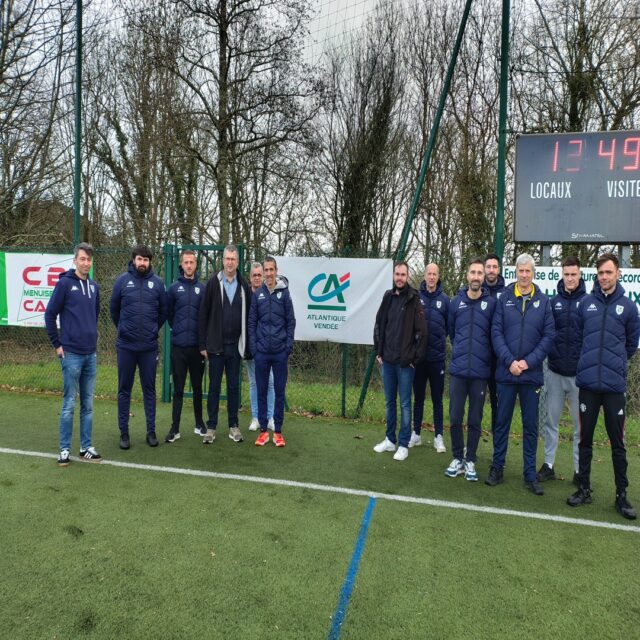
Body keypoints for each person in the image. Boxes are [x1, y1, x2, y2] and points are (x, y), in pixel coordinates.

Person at [567, 253, 640, 520]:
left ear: (618, 273)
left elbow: (631, 345)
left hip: (613, 388)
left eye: (609, 273)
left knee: (617, 443)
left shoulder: (629, 308)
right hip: (587, 385)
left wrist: (615, 365)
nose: (605, 277)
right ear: (596, 277)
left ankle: (621, 495)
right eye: (600, 274)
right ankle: (584, 488)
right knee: (585, 439)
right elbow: (577, 338)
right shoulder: (585, 305)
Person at [486, 253, 554, 495]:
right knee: (501, 423)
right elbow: (496, 333)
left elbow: (548, 338)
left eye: (528, 271)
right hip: (506, 374)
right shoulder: (504, 299)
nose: (524, 275)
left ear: (533, 273)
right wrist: (510, 361)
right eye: (520, 271)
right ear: (515, 272)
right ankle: (497, 467)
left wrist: (527, 363)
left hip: (530, 375)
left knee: (530, 427)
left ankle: (529, 474)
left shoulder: (544, 302)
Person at [45, 242, 102, 466]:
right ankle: (64, 449)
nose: (86, 263)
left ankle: (86, 447)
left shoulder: (95, 287)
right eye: (82, 259)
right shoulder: (65, 284)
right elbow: (50, 315)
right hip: (71, 355)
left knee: (88, 404)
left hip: (90, 355)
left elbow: (94, 315)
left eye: (89, 259)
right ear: (74, 260)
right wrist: (57, 344)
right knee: (69, 403)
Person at [110, 244, 168, 449]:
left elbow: (163, 312)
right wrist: (125, 329)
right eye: (139, 259)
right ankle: (124, 433)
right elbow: (114, 310)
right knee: (124, 390)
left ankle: (151, 431)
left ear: (150, 262)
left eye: (146, 259)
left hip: (149, 348)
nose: (142, 263)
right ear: (133, 260)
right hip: (126, 346)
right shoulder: (122, 282)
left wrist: (152, 330)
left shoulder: (158, 284)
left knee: (149, 390)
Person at [444, 259, 495, 482]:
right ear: (467, 276)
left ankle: (471, 459)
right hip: (458, 371)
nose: (476, 276)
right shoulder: (456, 303)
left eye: (479, 273)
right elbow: (452, 333)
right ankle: (457, 457)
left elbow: (494, 336)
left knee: (475, 419)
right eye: (472, 272)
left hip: (480, 373)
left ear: (484, 277)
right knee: (455, 416)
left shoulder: (492, 304)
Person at [537, 256, 586, 484]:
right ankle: (548, 465)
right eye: (566, 274)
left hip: (579, 376)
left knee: (579, 427)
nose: (570, 278)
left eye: (573, 274)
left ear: (580, 275)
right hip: (555, 372)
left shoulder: (588, 302)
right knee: (551, 422)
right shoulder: (552, 302)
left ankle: (579, 471)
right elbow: (547, 334)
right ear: (562, 275)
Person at [372, 261, 427, 461]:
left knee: (405, 403)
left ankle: (403, 444)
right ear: (393, 275)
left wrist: (414, 359)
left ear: (408, 276)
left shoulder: (414, 299)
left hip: (405, 364)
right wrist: (379, 350)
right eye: (397, 274)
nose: (400, 278)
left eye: (403, 274)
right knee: (389, 402)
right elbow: (379, 324)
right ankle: (390, 440)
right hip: (387, 361)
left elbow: (422, 333)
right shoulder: (387, 297)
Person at [198, 244, 251, 444]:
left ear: (237, 262)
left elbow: (249, 317)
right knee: (213, 387)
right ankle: (211, 427)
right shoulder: (213, 283)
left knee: (233, 388)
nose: (230, 262)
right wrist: (202, 344)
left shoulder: (244, 286)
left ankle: (233, 426)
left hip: (235, 347)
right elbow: (203, 314)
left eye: (233, 259)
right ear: (223, 260)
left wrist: (247, 344)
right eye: (227, 259)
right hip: (215, 347)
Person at [248, 256, 296, 447]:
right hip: (261, 353)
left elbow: (291, 321)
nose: (268, 274)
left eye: (270, 270)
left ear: (276, 271)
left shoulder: (284, 293)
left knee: (279, 391)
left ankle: (277, 431)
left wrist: (287, 347)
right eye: (265, 270)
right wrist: (254, 348)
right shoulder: (258, 295)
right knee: (260, 390)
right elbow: (252, 323)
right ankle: (262, 431)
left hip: (279, 353)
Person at [165, 250, 206, 443]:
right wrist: (180, 331)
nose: (189, 265)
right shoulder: (173, 288)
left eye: (192, 262)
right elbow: (169, 314)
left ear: (196, 264)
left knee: (197, 388)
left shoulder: (202, 289)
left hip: (197, 349)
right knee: (178, 389)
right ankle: (175, 428)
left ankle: (199, 424)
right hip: (178, 348)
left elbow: (205, 317)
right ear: (181, 265)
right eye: (186, 262)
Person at [412, 262, 448, 453]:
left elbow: (448, 328)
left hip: (437, 359)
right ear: (424, 276)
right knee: (418, 398)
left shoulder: (445, 300)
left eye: (435, 274)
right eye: (429, 274)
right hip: (419, 359)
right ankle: (416, 434)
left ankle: (438, 436)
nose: (432, 277)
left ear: (438, 276)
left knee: (437, 400)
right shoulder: (416, 298)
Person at [245, 262, 275, 432]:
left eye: (259, 274)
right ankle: (256, 417)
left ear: (264, 275)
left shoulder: (270, 293)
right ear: (250, 277)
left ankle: (270, 417)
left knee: (270, 382)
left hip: (268, 347)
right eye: (254, 275)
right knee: (254, 383)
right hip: (251, 347)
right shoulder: (244, 295)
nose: (257, 277)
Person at [484, 252, 506, 434]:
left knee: (497, 405)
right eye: (488, 267)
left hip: (499, 360)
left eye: (494, 267)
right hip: (479, 357)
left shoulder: (507, 294)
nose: (491, 270)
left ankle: (498, 449)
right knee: (475, 402)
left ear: (499, 270)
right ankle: (471, 447)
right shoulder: (475, 290)